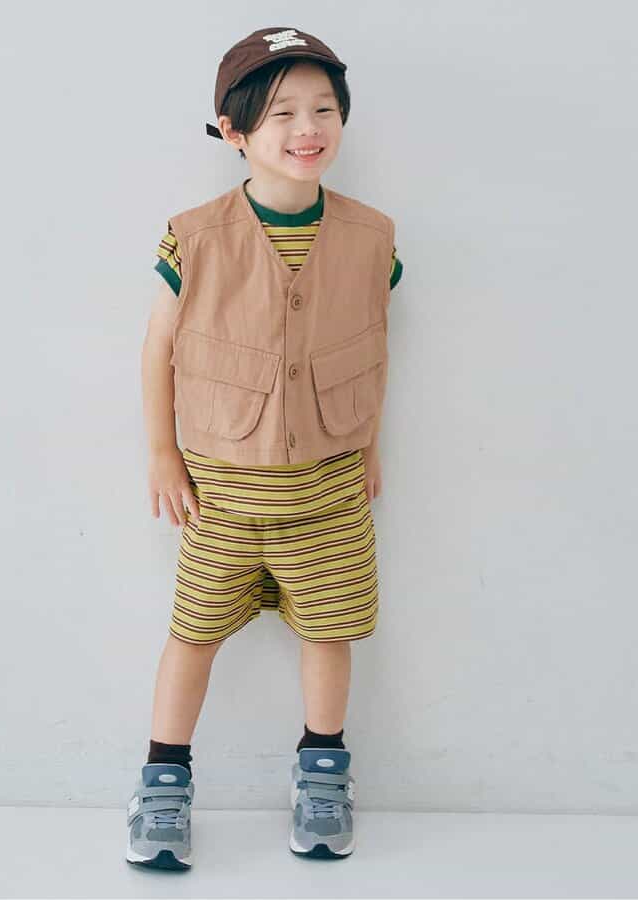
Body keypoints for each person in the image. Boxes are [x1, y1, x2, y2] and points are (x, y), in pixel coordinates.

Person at [126, 26, 403, 870]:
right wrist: (162, 453)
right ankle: (163, 780)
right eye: (281, 113)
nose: (306, 127)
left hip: (329, 491)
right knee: (193, 633)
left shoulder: (373, 236)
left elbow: (373, 342)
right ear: (234, 131)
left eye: (323, 109)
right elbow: (158, 346)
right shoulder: (194, 236)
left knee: (330, 631)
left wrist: (369, 445)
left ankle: (324, 772)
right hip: (222, 494)